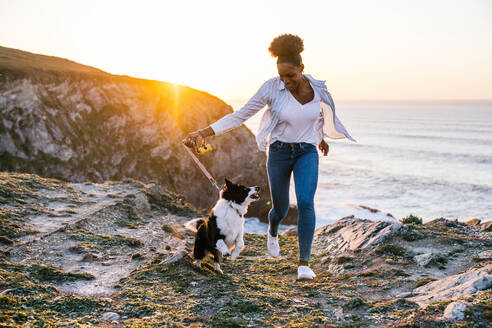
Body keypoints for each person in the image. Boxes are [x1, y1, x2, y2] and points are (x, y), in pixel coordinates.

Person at [183, 34, 356, 280]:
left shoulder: (318, 89)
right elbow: (240, 115)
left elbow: (315, 117)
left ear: (302, 69)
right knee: (280, 208)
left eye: (291, 76)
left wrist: (320, 138)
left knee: (306, 202)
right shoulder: (271, 88)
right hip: (279, 152)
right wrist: (204, 132)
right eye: (282, 76)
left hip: (306, 152)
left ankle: (304, 264)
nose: (286, 81)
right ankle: (272, 231)